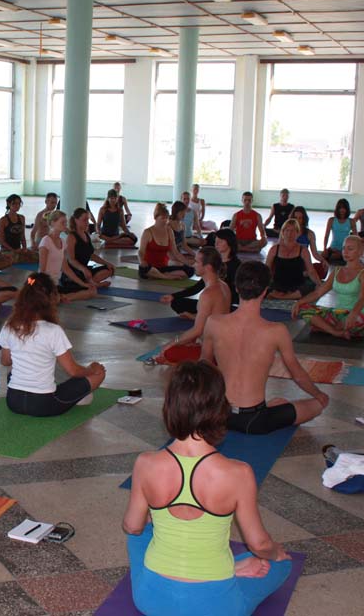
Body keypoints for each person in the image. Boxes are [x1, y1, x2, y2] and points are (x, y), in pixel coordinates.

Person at [123, 360, 292, 616]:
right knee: (280, 565)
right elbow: (259, 543)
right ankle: (232, 568)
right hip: (215, 608)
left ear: (170, 408)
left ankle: (227, 568)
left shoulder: (145, 463)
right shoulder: (238, 473)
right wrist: (275, 553)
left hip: (152, 601)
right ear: (220, 409)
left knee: (138, 534)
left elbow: (132, 526)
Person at [201, 261, 329, 434]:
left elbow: (204, 366)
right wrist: (319, 395)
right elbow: (297, 375)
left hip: (219, 414)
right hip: (254, 420)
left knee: (279, 401)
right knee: (316, 406)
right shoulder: (276, 331)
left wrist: (205, 406)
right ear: (265, 291)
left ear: (236, 288)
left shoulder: (213, 322)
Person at [0, 272, 105, 416]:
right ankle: (77, 397)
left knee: (14, 373)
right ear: (50, 300)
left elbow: (5, 361)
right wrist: (91, 369)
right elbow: (73, 371)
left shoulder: (10, 326)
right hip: (43, 405)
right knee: (99, 373)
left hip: (13, 401)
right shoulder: (53, 330)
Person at [154, 247, 232, 365]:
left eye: (196, 262)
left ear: (208, 267)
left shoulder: (207, 294)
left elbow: (197, 330)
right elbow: (215, 319)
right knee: (185, 343)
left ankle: (197, 365)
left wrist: (172, 343)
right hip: (223, 347)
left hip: (212, 353)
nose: (193, 265)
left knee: (168, 353)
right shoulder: (224, 286)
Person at [294, 235, 364, 340]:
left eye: (350, 249)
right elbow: (318, 293)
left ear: (360, 252)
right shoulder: (337, 271)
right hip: (338, 313)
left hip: (358, 315)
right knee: (304, 308)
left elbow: (363, 298)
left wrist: (353, 313)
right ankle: (335, 331)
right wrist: (299, 302)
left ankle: (325, 327)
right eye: (344, 248)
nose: (345, 252)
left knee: (358, 320)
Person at [164, 228, 240, 317]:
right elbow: (198, 286)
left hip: (227, 306)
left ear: (229, 243)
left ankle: (198, 316)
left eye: (220, 241)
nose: (217, 244)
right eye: (216, 241)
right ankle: (202, 315)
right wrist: (173, 296)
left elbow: (239, 293)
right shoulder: (213, 261)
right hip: (211, 304)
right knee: (177, 302)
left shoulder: (237, 266)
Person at [39, 210, 97, 302]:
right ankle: (58, 297)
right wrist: (47, 288)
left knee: (92, 291)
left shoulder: (62, 242)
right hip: (45, 285)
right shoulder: (46, 241)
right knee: (52, 299)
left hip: (56, 285)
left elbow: (66, 269)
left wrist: (83, 284)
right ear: (53, 223)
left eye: (65, 222)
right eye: (62, 222)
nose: (65, 225)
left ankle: (63, 297)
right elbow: (42, 271)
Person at [265, 219, 320, 299]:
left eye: (293, 231)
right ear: (282, 232)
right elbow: (267, 269)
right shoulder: (274, 249)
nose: (289, 234)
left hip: (297, 285)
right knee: (263, 287)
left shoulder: (303, 250)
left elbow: (311, 271)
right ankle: (288, 295)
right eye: (287, 230)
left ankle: (282, 296)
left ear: (298, 233)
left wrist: (319, 284)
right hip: (278, 284)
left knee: (311, 285)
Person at [138, 204, 194, 280]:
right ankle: (165, 276)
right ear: (155, 218)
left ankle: (160, 275)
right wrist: (142, 261)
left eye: (167, 218)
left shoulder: (169, 231)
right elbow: (141, 251)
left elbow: (176, 252)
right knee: (143, 269)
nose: (165, 220)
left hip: (163, 267)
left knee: (190, 270)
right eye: (162, 218)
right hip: (149, 267)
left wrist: (187, 263)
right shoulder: (147, 232)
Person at [66, 208, 114, 287]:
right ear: (76, 220)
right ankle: (92, 284)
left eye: (88, 220)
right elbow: (71, 260)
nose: (87, 223)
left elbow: (91, 255)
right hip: (75, 271)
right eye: (84, 220)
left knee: (109, 269)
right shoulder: (71, 237)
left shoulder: (86, 234)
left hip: (85, 270)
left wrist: (106, 263)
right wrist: (83, 269)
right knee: (85, 276)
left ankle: (88, 283)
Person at [289, 205, 326, 278]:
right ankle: (302, 274)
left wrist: (323, 261)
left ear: (304, 219)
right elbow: (280, 248)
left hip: (303, 264)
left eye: (300, 218)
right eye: (295, 218)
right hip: (289, 262)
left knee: (322, 268)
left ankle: (302, 274)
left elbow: (315, 253)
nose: (297, 220)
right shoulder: (286, 232)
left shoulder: (310, 234)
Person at [0, 194, 38, 262]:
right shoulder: (3, 220)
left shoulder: (22, 218)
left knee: (37, 256)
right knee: (16, 258)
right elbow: (1, 240)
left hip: (18, 250)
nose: (17, 206)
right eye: (14, 203)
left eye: (19, 203)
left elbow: (22, 236)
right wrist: (13, 250)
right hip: (7, 250)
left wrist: (24, 248)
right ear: (9, 204)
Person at [323, 198, 355, 265]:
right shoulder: (331, 220)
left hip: (345, 249)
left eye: (344, 208)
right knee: (322, 256)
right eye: (340, 208)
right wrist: (325, 248)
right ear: (337, 209)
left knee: (336, 257)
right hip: (333, 248)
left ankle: (341, 256)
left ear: (347, 209)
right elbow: (326, 236)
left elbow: (356, 237)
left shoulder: (351, 221)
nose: (342, 210)